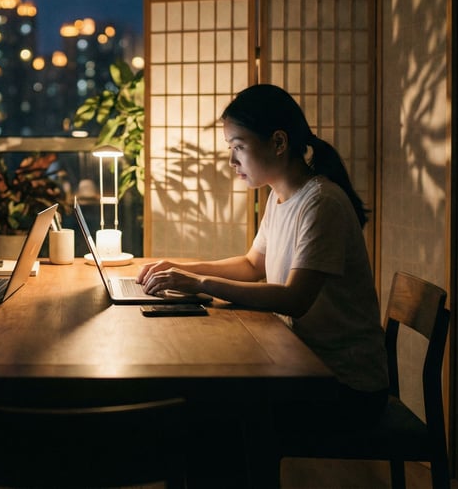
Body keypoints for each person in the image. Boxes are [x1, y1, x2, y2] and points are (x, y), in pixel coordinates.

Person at [137, 83, 389, 429]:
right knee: (209, 401)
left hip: (343, 384)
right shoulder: (280, 196)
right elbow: (252, 265)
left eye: (238, 146)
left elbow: (295, 298)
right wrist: (177, 267)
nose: (231, 161)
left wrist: (199, 282)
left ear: (279, 142)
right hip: (301, 363)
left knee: (211, 410)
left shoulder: (321, 203)